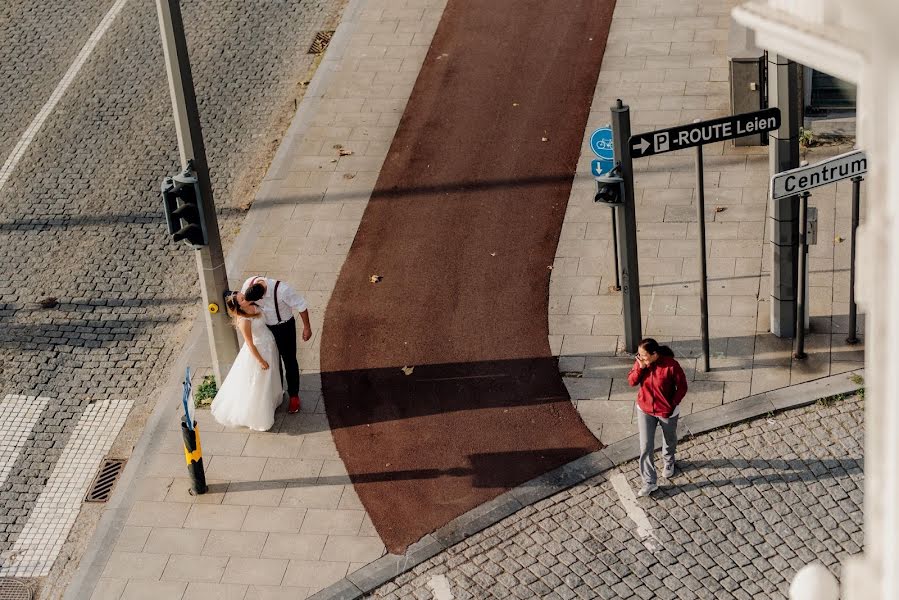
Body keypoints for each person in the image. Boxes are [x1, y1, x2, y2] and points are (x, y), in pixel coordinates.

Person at [236, 275, 312, 413]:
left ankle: (294, 396)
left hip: (284, 327)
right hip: (265, 329)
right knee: (273, 361)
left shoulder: (283, 290)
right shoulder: (249, 283)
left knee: (289, 361)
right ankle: (278, 391)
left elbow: (301, 306)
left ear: (263, 294)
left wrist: (307, 328)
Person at [210, 294, 283, 431]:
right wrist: (261, 361)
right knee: (259, 381)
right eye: (242, 299)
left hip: (269, 346)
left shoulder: (254, 306)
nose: (245, 298)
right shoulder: (243, 321)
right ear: (239, 306)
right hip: (260, 351)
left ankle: (272, 400)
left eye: (243, 296)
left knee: (270, 377)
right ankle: (258, 414)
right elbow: (250, 344)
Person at [627, 338, 688, 497]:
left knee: (669, 439)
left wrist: (672, 403)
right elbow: (632, 382)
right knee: (645, 446)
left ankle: (669, 460)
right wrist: (640, 368)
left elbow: (682, 387)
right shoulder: (641, 363)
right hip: (645, 409)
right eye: (639, 355)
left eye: (644, 355)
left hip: (667, 411)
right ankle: (649, 482)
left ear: (654, 354)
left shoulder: (671, 366)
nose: (640, 358)